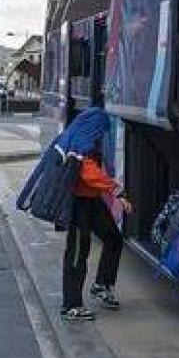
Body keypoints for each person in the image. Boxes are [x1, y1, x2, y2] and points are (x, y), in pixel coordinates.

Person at [56, 105, 129, 321]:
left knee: (113, 238)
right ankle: (71, 305)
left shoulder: (84, 139)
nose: (102, 135)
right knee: (78, 253)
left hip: (92, 200)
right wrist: (116, 189)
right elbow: (88, 173)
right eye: (101, 130)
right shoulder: (79, 145)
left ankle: (101, 285)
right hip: (78, 204)